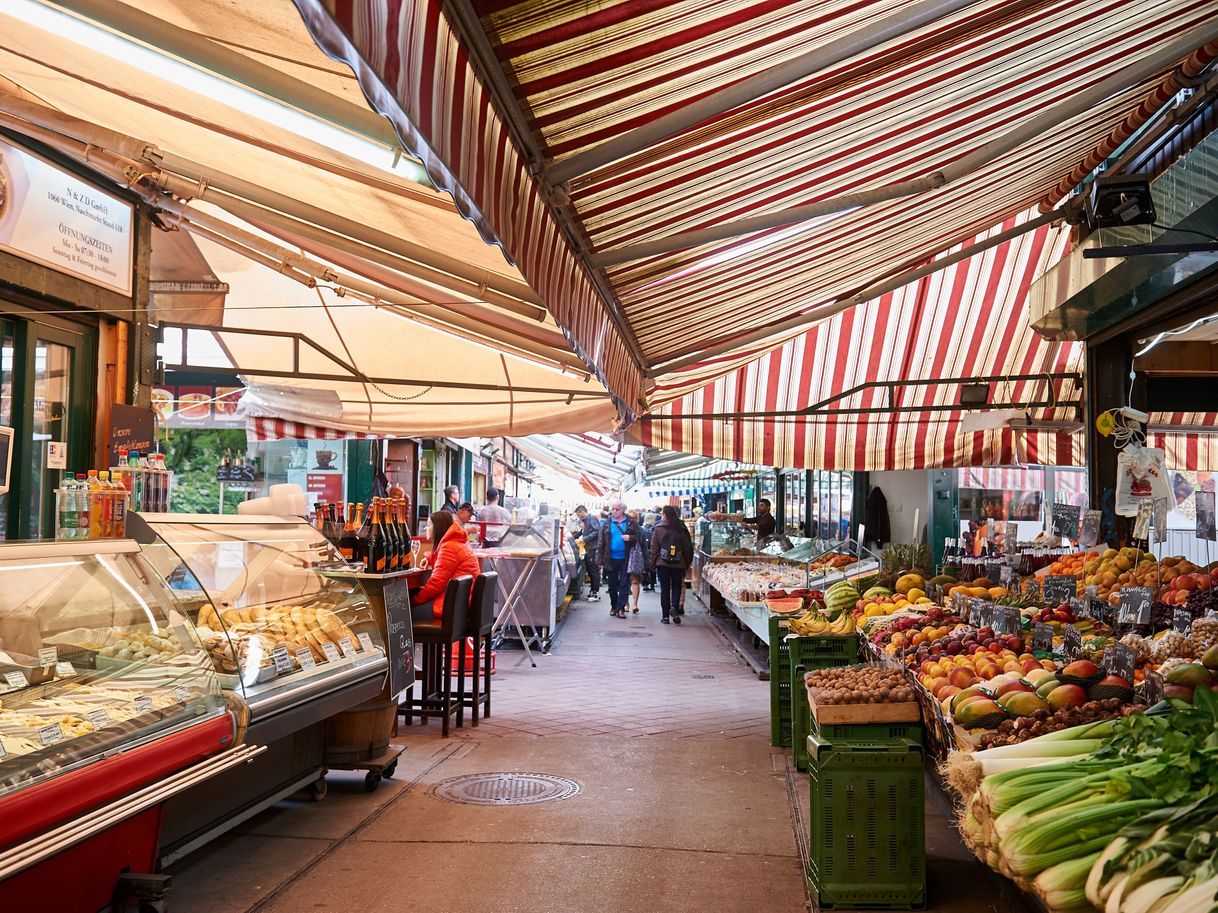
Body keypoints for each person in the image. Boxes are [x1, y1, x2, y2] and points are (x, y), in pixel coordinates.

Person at [411, 510, 480, 620]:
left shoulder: (449, 548)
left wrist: (414, 600)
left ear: (438, 528)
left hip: (450, 607)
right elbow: (446, 561)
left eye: (429, 525)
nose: (425, 529)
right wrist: (429, 558)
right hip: (460, 604)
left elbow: (436, 584)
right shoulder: (455, 543)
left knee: (403, 614)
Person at [650, 505, 694, 624]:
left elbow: (654, 548)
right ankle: (674, 607)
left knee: (664, 589)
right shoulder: (681, 527)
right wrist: (687, 563)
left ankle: (665, 617)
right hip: (678, 564)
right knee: (676, 587)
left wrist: (652, 563)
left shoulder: (658, 528)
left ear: (665, 515)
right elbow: (687, 547)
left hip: (662, 563)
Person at [598, 501, 640, 619]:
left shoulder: (630, 522)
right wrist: (599, 560)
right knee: (612, 585)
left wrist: (630, 538)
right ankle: (614, 606)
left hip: (626, 558)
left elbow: (638, 537)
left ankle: (621, 608)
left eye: (617, 509)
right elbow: (601, 542)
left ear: (623, 510)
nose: (614, 511)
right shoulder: (607, 523)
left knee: (624, 584)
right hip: (610, 558)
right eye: (613, 509)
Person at [574, 505, 602, 601]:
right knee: (590, 571)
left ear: (582, 512)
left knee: (593, 571)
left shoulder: (591, 518)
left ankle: (595, 592)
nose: (579, 517)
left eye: (579, 515)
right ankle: (593, 591)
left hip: (592, 549)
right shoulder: (588, 520)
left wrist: (585, 539)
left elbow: (597, 531)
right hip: (588, 549)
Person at [626, 509, 648, 614]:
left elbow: (644, 547)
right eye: (630, 518)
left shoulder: (641, 531)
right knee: (624, 582)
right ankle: (626, 604)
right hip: (624, 558)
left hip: (637, 559)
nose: (632, 520)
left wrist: (646, 562)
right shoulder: (623, 529)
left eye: (633, 518)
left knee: (635, 581)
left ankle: (635, 604)